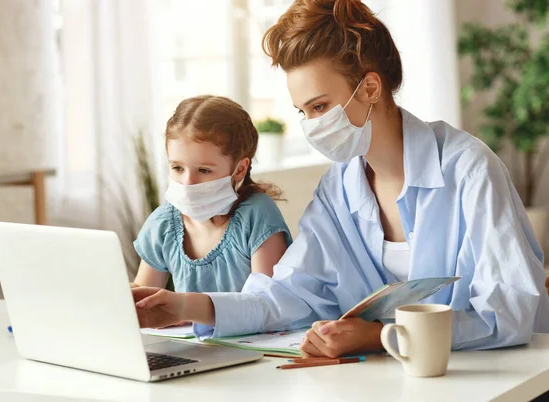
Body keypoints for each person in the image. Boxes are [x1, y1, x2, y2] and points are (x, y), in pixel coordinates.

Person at [132, 0, 549, 357]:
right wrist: (184, 306)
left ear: (370, 87)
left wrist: (387, 337)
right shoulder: (339, 188)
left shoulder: (470, 169)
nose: (311, 125)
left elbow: (509, 313)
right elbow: (287, 294)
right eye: (302, 112)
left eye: (319, 106)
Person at [131, 95, 292, 293]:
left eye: (204, 170)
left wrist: (185, 309)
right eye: (177, 168)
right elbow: (143, 293)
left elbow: (268, 305)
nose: (188, 182)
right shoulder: (163, 224)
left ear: (240, 169)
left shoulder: (257, 216)